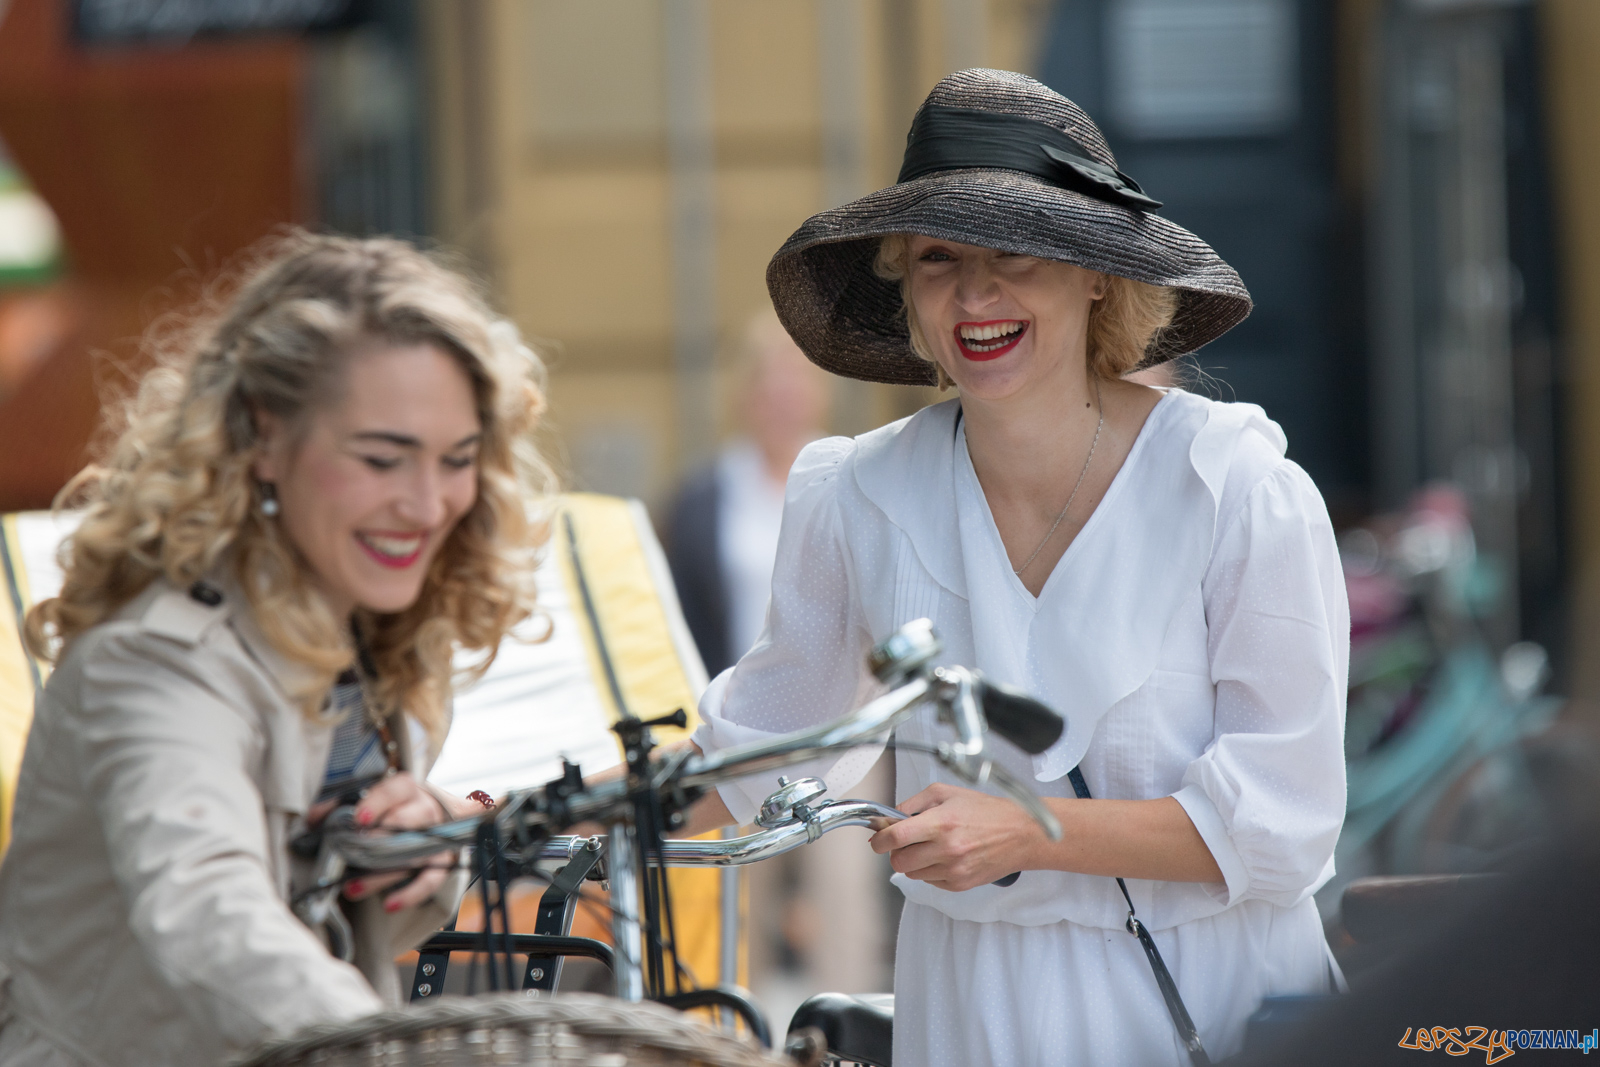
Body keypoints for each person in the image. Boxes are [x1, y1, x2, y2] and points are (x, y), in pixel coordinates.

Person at [684, 69, 1349, 1066]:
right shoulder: (856, 494)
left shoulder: (1236, 490)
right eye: (938, 258)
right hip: (970, 1015)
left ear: (1095, 275)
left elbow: (1283, 824)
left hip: (1211, 1007)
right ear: (903, 283)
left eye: (1014, 256)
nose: (973, 293)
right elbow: (758, 753)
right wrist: (509, 816)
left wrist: (1033, 831)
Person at [0, 231, 554, 1066]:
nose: (427, 502)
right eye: (381, 458)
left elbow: (317, 916)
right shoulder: (156, 662)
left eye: (458, 459)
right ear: (264, 437)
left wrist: (421, 844)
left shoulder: (373, 634)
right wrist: (404, 1054)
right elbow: (209, 915)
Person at [665, 309, 833, 677]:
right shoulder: (702, 497)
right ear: (744, 397)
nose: (782, 407)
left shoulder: (848, 479)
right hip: (732, 702)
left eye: (793, 391)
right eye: (769, 393)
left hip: (838, 705)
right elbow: (682, 615)